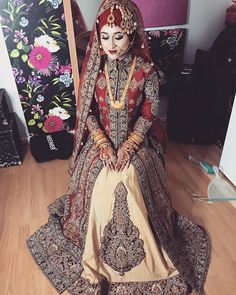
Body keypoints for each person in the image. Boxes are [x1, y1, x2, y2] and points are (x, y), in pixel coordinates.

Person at [27, 1, 210, 294]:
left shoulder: (146, 71)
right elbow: (86, 113)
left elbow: (150, 115)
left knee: (128, 178)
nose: (111, 44)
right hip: (101, 143)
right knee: (100, 181)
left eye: (118, 36)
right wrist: (102, 145)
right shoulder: (95, 71)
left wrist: (128, 147)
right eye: (105, 36)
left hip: (136, 143)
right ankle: (95, 251)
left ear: (133, 34)